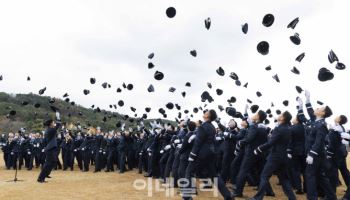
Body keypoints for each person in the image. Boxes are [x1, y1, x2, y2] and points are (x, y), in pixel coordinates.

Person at [183, 109, 233, 200]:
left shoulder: (203, 126)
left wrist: (192, 154)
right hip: (210, 154)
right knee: (214, 176)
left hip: (201, 154)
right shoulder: (212, 126)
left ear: (208, 116)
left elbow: (198, 142)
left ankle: (187, 196)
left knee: (189, 172)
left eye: (207, 112)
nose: (205, 113)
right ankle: (228, 196)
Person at [249, 111, 296, 200]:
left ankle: (258, 198)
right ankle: (292, 198)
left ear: (283, 118)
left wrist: (259, 149)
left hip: (275, 157)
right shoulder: (289, 129)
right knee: (284, 179)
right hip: (284, 157)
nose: (279, 115)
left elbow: (270, 143)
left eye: (281, 115)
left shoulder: (278, 129)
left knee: (264, 176)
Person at [303, 90, 337, 200]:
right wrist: (307, 100)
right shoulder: (316, 121)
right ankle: (332, 197)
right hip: (317, 154)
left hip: (316, 155)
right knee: (320, 177)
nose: (316, 109)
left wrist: (311, 154)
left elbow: (319, 141)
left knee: (310, 175)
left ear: (322, 113)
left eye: (319, 109)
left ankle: (312, 198)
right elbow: (310, 112)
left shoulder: (322, 125)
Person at [37, 111, 61, 183]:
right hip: (50, 149)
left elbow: (44, 141)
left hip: (50, 148)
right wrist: (58, 117)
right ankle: (40, 178)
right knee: (48, 164)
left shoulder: (48, 130)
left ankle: (46, 174)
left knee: (53, 162)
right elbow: (58, 125)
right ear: (51, 124)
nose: (54, 123)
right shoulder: (50, 130)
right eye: (53, 122)